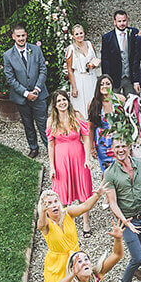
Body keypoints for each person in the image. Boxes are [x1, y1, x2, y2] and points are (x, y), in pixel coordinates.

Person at [102, 137, 141, 282]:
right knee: (137, 257)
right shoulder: (110, 173)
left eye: (123, 145)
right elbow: (113, 203)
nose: (120, 149)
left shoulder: (140, 163)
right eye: (117, 146)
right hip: (127, 220)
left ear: (129, 147)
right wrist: (126, 223)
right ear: (112, 149)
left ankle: (135, 269)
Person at [46, 89, 95, 235]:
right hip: (61, 159)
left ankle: (86, 223)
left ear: (68, 101)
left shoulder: (77, 115)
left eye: (64, 99)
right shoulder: (51, 120)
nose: (62, 103)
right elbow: (50, 144)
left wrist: (87, 157)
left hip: (78, 156)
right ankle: (65, 223)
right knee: (62, 191)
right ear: (54, 105)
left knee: (83, 189)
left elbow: (86, 137)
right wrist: (52, 167)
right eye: (58, 101)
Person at [3, 24, 49, 158]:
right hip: (21, 97)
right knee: (28, 123)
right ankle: (33, 147)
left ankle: (50, 147)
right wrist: (26, 93)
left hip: (38, 95)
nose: (21, 38)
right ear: (13, 37)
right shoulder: (8, 55)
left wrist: (36, 89)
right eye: (18, 36)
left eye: (23, 35)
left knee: (43, 123)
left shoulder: (36, 49)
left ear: (26, 35)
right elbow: (10, 78)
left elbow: (43, 70)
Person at [101, 10, 141, 96]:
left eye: (124, 20)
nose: (122, 23)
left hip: (130, 77)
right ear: (114, 22)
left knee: (132, 104)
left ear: (127, 20)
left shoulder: (134, 33)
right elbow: (105, 60)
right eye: (119, 21)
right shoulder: (107, 37)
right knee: (114, 103)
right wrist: (106, 79)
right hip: (115, 77)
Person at [65, 24, 100, 117]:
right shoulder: (70, 49)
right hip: (79, 79)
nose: (79, 36)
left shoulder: (89, 44)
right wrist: (74, 87)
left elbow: (96, 59)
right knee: (80, 105)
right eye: (77, 34)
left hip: (91, 77)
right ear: (73, 36)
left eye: (81, 33)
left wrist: (94, 64)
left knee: (94, 101)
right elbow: (70, 69)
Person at [88, 75, 119, 172]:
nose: (104, 86)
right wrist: (91, 147)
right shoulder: (93, 103)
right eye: (101, 84)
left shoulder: (120, 100)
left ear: (112, 85)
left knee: (121, 169)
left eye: (107, 84)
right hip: (102, 143)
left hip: (118, 140)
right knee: (106, 171)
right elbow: (91, 128)